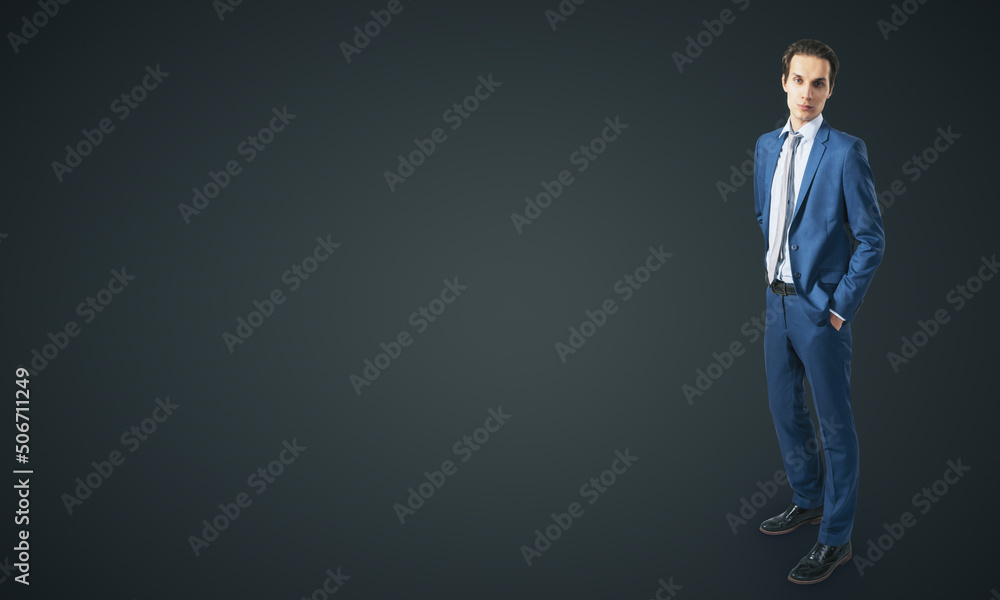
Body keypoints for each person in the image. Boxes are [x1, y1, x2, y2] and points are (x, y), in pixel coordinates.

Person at [752, 38, 885, 585]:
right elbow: (767, 216)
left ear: (830, 90)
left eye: (819, 83)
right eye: (799, 80)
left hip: (820, 311)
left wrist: (837, 308)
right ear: (783, 82)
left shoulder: (846, 151)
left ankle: (836, 539)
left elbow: (872, 239)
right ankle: (807, 500)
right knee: (785, 410)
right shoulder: (764, 146)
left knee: (834, 425)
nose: (807, 93)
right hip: (775, 303)